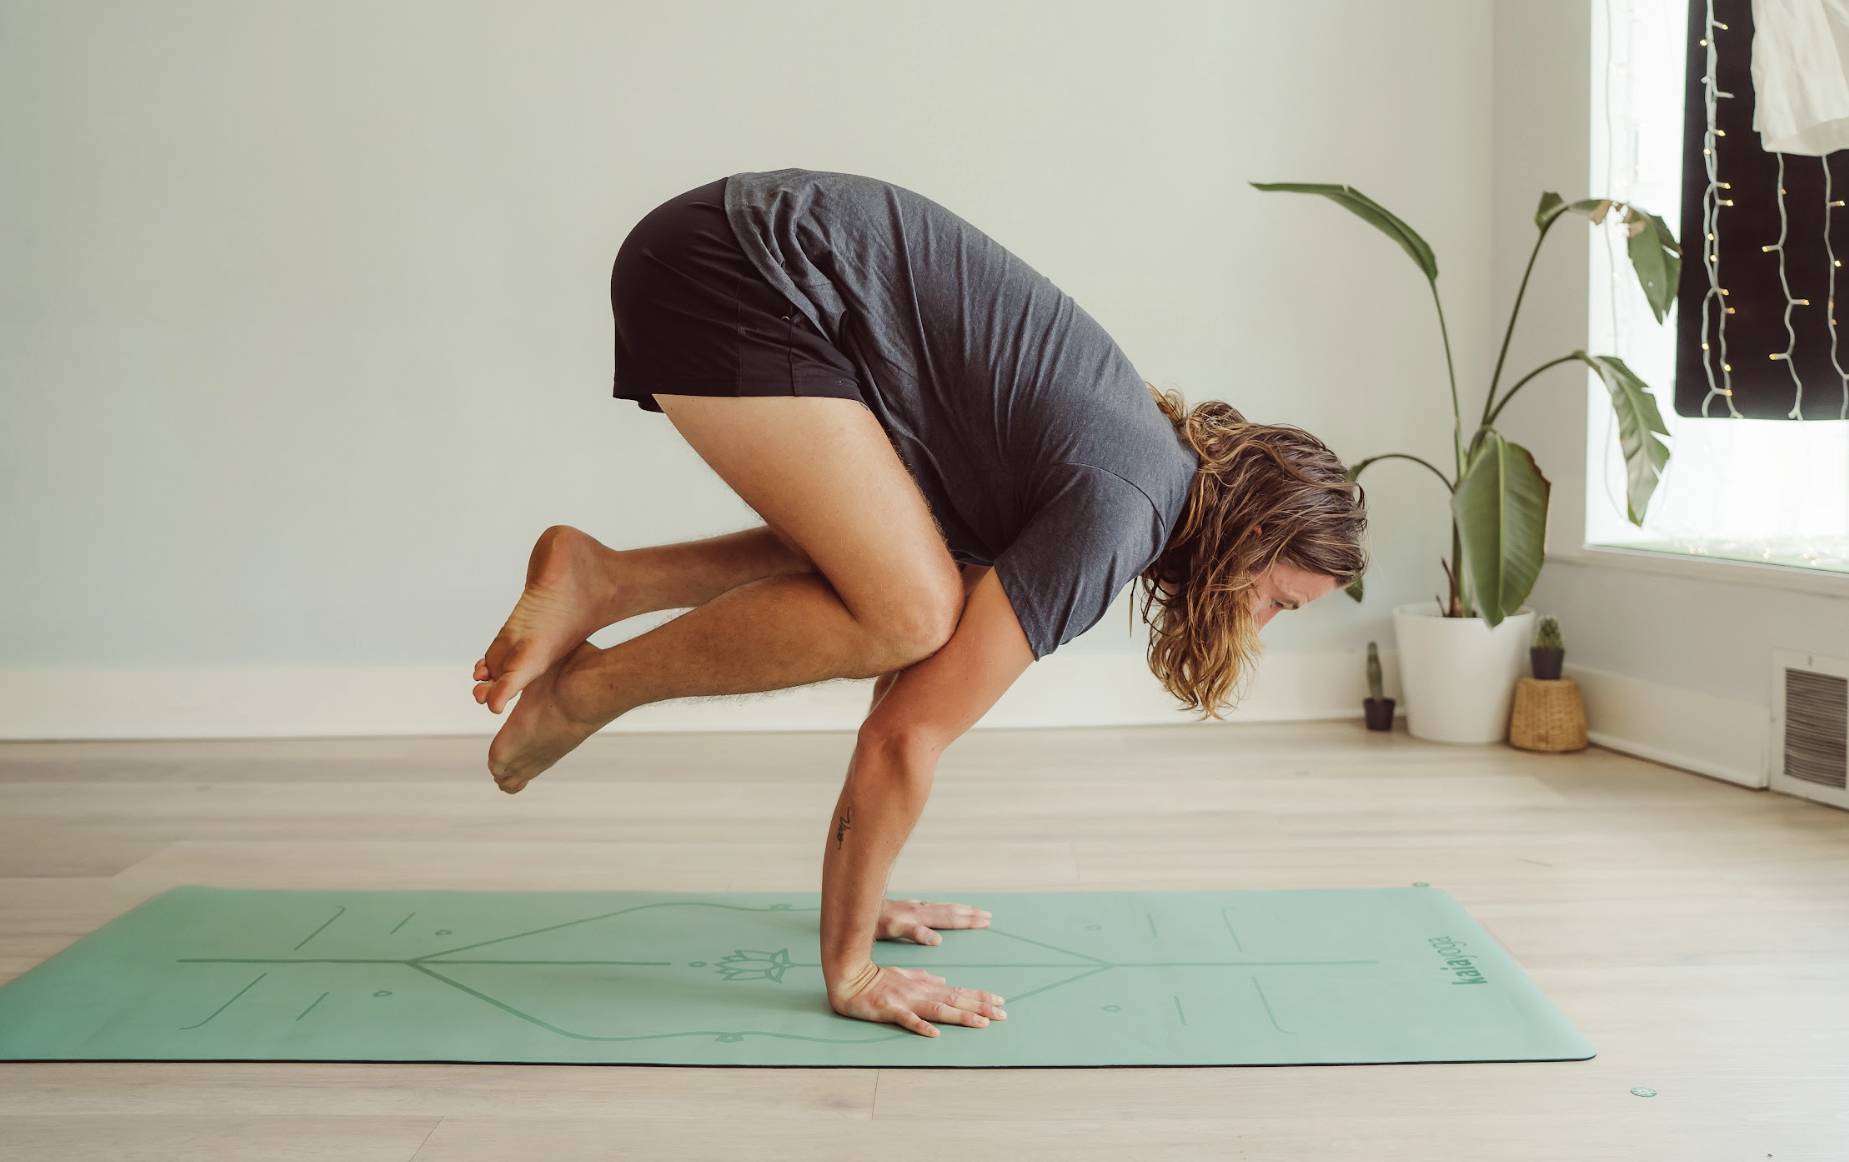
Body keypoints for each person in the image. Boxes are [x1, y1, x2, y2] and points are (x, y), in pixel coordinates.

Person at [470, 170, 1367, 1039]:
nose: (1258, 628)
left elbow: (908, 692)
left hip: (734, 252)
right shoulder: (1124, 508)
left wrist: (862, 892)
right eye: (1276, 601)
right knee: (909, 608)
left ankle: (606, 580)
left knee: (905, 585)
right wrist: (853, 968)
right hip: (741, 264)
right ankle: (584, 693)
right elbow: (903, 737)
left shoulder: (1134, 469)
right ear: (1253, 538)